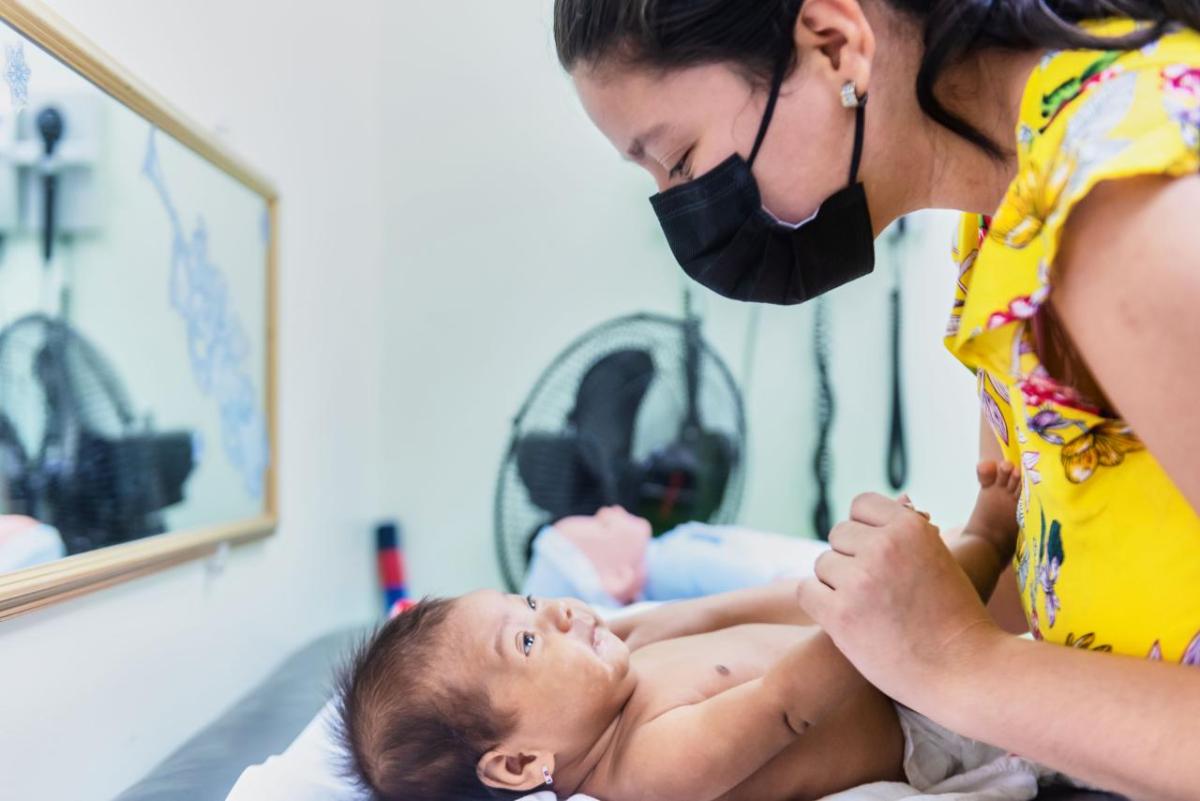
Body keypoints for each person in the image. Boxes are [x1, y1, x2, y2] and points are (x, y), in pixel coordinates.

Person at [551, 2, 1200, 797]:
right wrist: (700, 623)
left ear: (832, 42)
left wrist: (966, 666)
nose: (683, 212)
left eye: (680, 160)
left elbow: (961, 645)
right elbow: (1052, 582)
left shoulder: (1127, 213)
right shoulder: (1004, 213)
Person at [338, 464, 1037, 801]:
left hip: (873, 659)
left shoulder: (622, 661)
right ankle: (990, 535)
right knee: (952, 607)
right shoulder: (647, 765)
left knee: (961, 598)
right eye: (526, 641)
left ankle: (981, 561)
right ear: (519, 763)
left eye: (528, 600)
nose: (555, 611)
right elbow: (785, 706)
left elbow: (722, 611)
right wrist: (875, 607)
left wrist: (825, 585)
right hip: (917, 723)